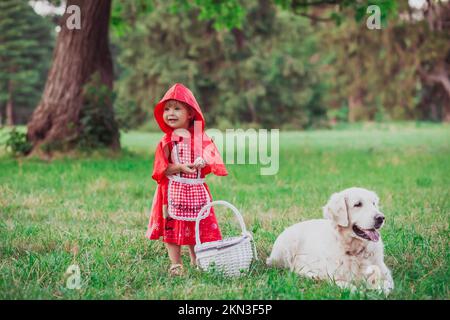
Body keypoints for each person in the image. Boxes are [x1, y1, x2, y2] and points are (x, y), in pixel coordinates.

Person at [146, 83, 228, 276]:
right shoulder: (167, 141)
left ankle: (196, 257)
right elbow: (161, 168)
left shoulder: (201, 138)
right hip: (173, 190)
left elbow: (212, 159)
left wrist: (204, 160)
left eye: (177, 108)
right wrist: (180, 167)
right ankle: (175, 263)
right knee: (172, 227)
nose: (170, 113)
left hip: (196, 190)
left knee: (196, 225)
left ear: (190, 113)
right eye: (166, 109)